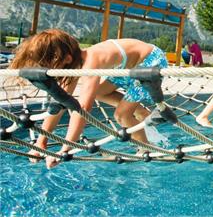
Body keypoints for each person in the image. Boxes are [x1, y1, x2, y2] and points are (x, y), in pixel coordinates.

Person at [9, 29, 168, 168]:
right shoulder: (74, 65)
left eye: (49, 65)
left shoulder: (92, 61)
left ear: (65, 59)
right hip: (128, 66)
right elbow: (59, 103)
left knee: (121, 115)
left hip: (150, 63)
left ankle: (146, 148)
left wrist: (66, 148)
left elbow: (83, 108)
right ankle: (140, 111)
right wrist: (41, 142)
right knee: (99, 92)